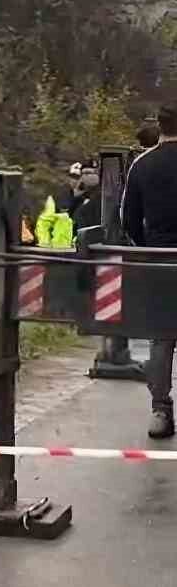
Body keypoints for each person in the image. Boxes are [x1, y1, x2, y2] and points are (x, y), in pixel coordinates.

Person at [121, 107, 177, 439]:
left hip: (160, 260)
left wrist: (148, 247)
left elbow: (128, 218)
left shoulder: (143, 165)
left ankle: (161, 410)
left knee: (161, 337)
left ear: (160, 127)